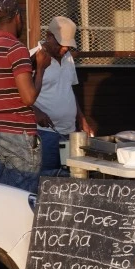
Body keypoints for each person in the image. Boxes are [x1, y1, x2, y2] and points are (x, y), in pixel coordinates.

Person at [0, 0, 49, 193]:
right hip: (19, 136)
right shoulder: (17, 49)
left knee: (4, 196)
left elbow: (5, 91)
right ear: (17, 17)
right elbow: (28, 97)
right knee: (22, 197)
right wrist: (41, 68)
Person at [32, 16, 93, 176]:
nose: (65, 49)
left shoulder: (68, 58)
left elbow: (68, 90)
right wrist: (35, 112)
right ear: (48, 36)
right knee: (46, 178)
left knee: (72, 177)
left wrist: (82, 119)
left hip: (70, 132)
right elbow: (21, 94)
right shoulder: (32, 58)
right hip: (44, 133)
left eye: (68, 45)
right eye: (60, 44)